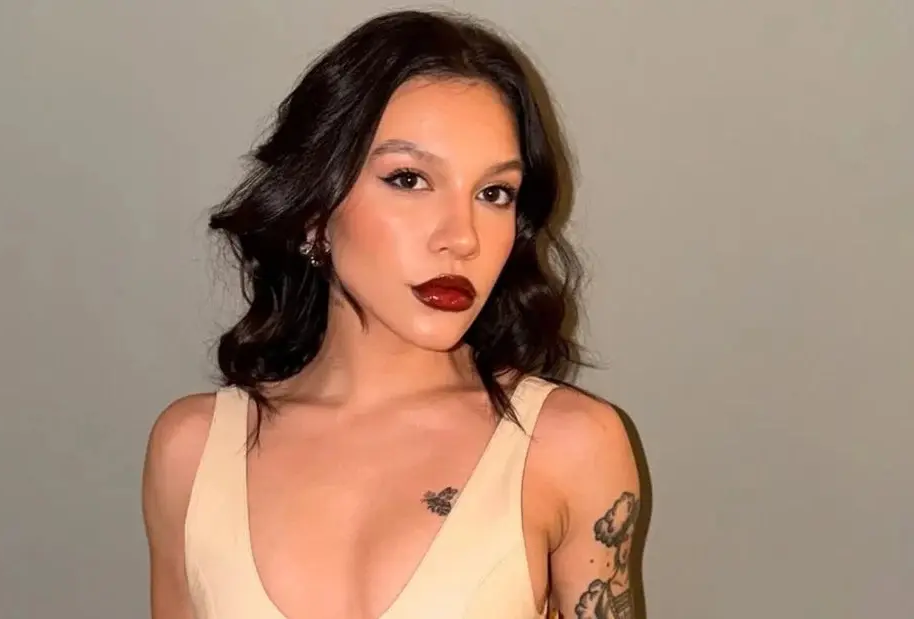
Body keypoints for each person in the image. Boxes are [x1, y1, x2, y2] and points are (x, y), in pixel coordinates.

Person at [142, 9, 642, 619]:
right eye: (409, 179)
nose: (461, 237)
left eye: (494, 193)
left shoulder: (569, 446)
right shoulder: (191, 451)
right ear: (315, 212)